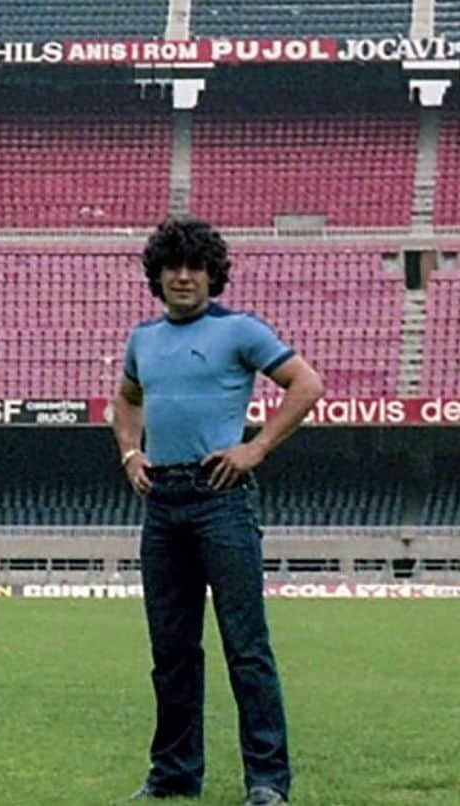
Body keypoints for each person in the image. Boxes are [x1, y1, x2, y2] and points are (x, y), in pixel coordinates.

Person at [112, 217, 324, 806]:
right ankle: (175, 773)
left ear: (212, 274)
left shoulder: (241, 330)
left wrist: (255, 447)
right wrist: (132, 452)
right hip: (163, 503)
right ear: (157, 274)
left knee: (245, 645)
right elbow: (125, 402)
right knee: (171, 650)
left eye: (195, 266)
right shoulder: (143, 340)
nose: (183, 276)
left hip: (220, 498)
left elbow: (305, 384)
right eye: (173, 266)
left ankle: (266, 781)